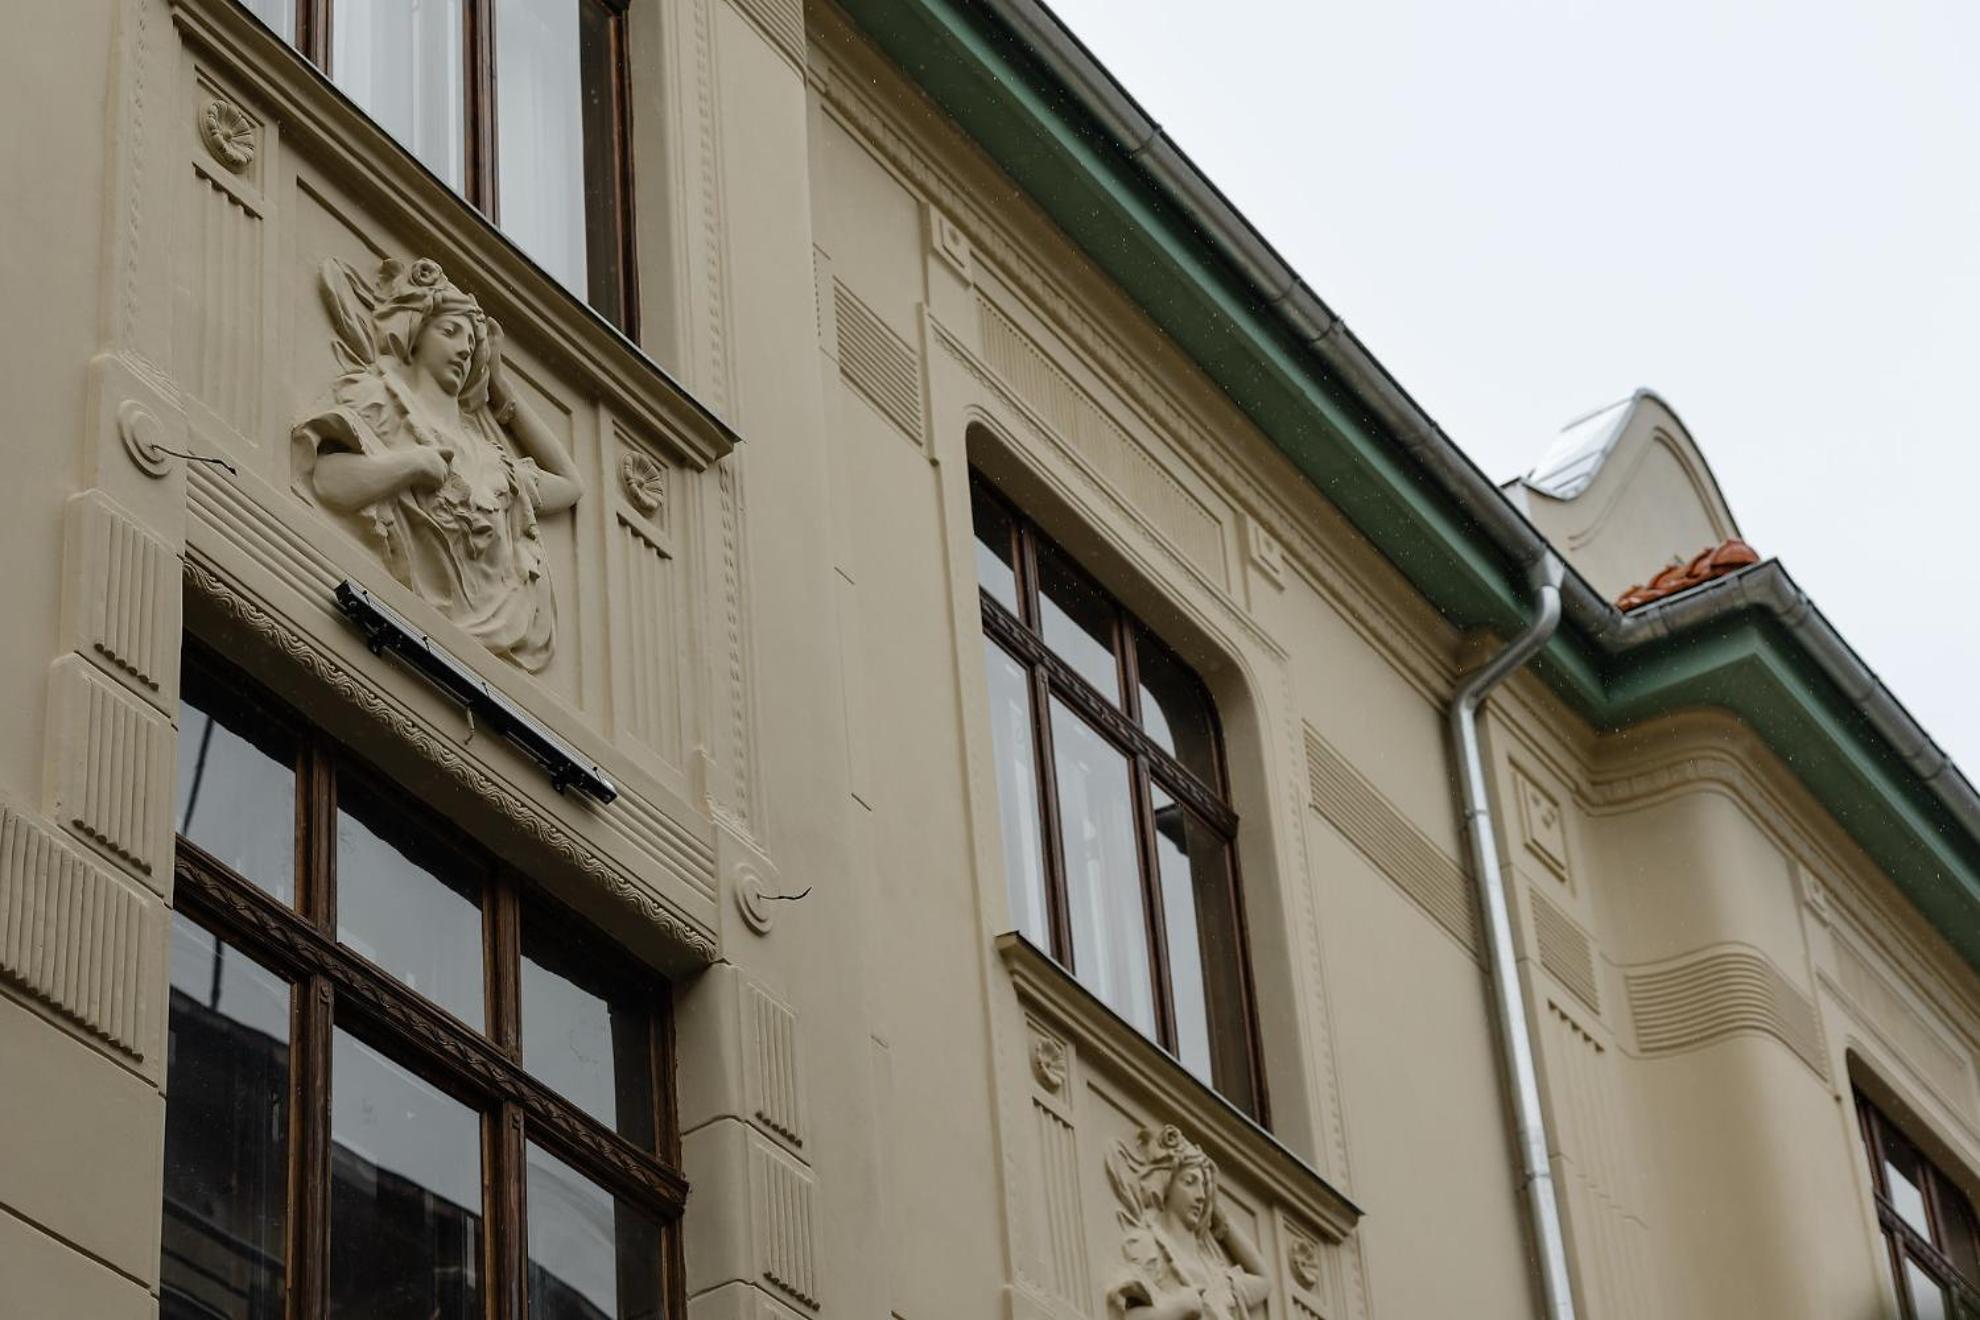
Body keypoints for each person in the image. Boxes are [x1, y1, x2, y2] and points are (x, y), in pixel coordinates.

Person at [295, 256, 582, 673]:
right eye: (449, 332)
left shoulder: (490, 458)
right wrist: (408, 466)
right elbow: (324, 478)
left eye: (471, 343)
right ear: (415, 333)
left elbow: (571, 484)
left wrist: (500, 385)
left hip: (499, 624)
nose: (464, 348)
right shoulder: (380, 403)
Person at [1105, 1124, 1271, 1320]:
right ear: (1167, 1185)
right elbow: (1126, 1317)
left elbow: (1264, 1280)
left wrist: (1219, 1215)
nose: (1201, 1196)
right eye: (1189, 1182)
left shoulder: (1216, 1274)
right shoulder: (1149, 1248)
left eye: (1204, 1187)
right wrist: (1178, 1308)